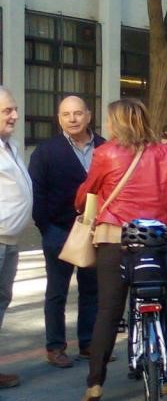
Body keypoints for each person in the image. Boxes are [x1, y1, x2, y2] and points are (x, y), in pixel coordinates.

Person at [75, 98, 167, 401]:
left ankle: (95, 385)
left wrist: (82, 204)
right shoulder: (166, 153)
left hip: (114, 240)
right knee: (165, 306)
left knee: (108, 310)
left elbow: (86, 193)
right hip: (156, 240)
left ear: (116, 122)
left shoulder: (105, 153)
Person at [28, 96, 105, 368]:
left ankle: (88, 343)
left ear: (88, 116)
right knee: (57, 292)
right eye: (66, 114)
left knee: (92, 290)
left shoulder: (105, 147)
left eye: (77, 113)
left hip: (96, 231)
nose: (72, 119)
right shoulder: (46, 152)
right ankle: (55, 347)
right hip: (59, 232)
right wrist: (46, 228)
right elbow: (36, 193)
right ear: (59, 119)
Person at [0, 86, 33, 389]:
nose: (14, 115)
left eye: (15, 109)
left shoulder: (9, 144)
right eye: (7, 110)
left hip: (8, 241)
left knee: (2, 301)